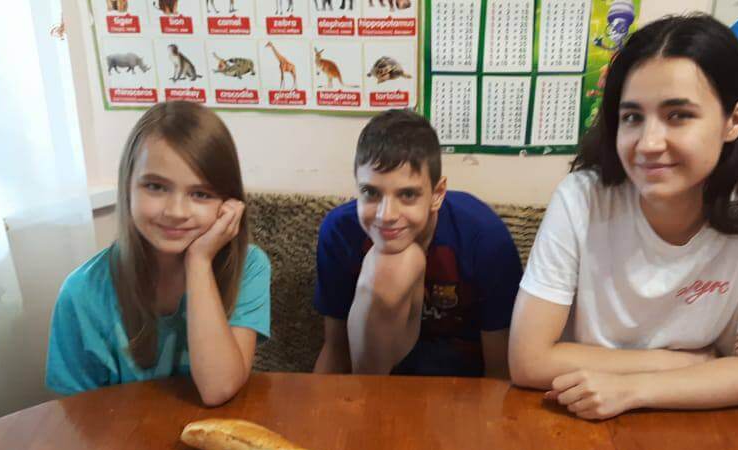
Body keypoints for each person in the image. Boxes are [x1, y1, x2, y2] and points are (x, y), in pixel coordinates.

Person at [510, 13, 738, 420]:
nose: (648, 143)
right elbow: (528, 361)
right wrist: (679, 364)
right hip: (578, 415)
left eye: (678, 115)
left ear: (735, 120)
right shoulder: (582, 198)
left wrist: (632, 389)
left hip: (700, 421)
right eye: (632, 117)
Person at [46, 102, 270, 405]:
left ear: (229, 205)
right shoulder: (81, 292)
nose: (176, 212)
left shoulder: (249, 266)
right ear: (127, 187)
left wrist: (199, 262)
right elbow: (76, 416)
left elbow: (218, 388)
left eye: (200, 194)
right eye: (155, 187)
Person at [313, 109, 523, 378]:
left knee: (401, 262)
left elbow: (500, 371)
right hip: (376, 381)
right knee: (389, 266)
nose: (386, 215)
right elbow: (336, 349)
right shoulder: (340, 232)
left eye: (408, 194)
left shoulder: (486, 239)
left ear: (437, 194)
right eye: (371, 192)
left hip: (462, 385)